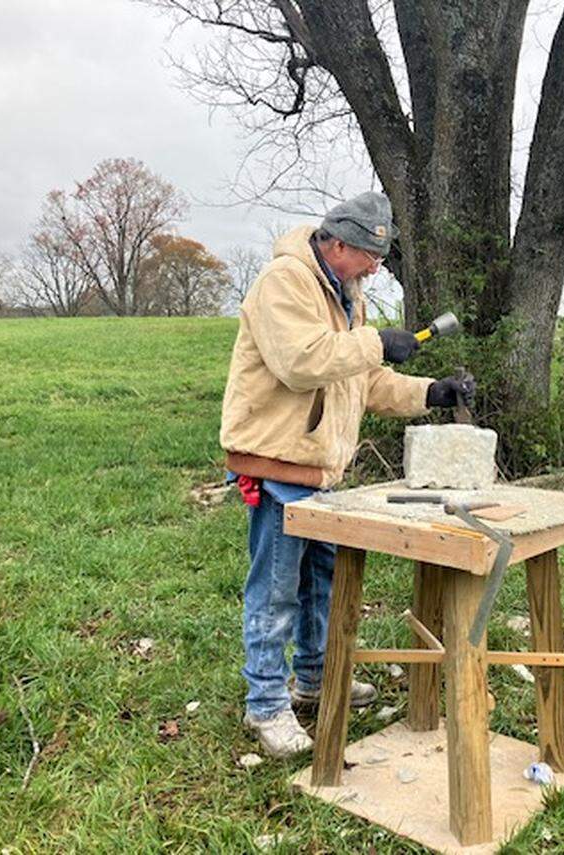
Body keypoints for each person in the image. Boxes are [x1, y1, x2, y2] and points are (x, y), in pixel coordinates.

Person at [220, 191, 475, 758]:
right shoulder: (284, 282)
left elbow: (363, 380)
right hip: (278, 463)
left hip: (320, 472)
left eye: (379, 261)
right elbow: (301, 362)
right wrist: (374, 342)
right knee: (276, 590)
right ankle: (265, 705)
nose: (374, 269)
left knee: (321, 587)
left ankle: (312, 680)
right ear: (336, 243)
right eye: (368, 257)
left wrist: (431, 392)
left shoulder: (345, 297)